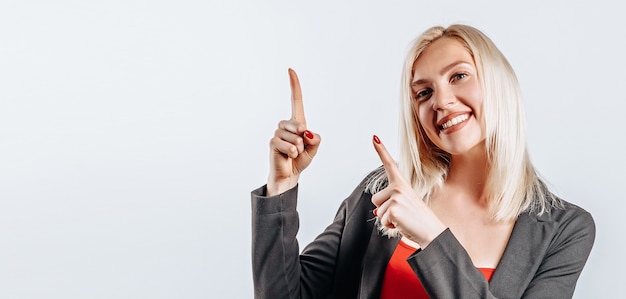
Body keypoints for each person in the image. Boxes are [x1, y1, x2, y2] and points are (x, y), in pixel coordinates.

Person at [251, 24, 595, 298]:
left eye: (458, 76)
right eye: (423, 93)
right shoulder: (382, 192)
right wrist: (282, 185)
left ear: (498, 83)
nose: (441, 101)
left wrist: (433, 237)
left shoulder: (565, 230)